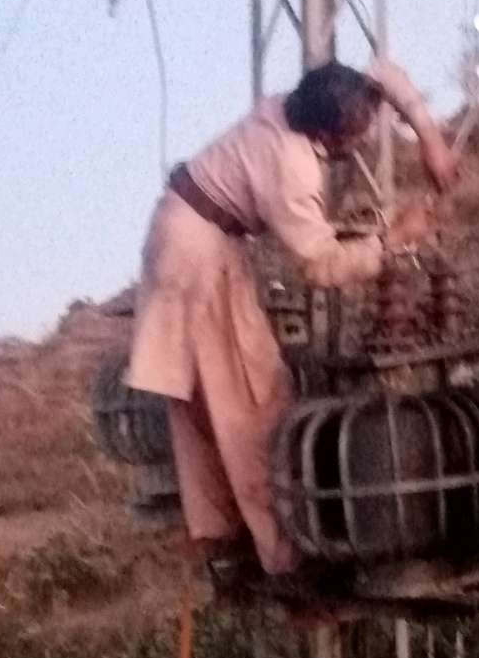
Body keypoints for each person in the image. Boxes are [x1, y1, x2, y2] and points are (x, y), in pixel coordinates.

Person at [127, 55, 456, 582]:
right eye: (359, 133)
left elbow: (384, 73)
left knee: (206, 399)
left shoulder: (294, 107)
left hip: (187, 229)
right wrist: (396, 239)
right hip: (197, 254)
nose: (366, 139)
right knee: (252, 405)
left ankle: (221, 533)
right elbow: (320, 266)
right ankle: (287, 560)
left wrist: (430, 139)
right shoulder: (290, 167)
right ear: (328, 134)